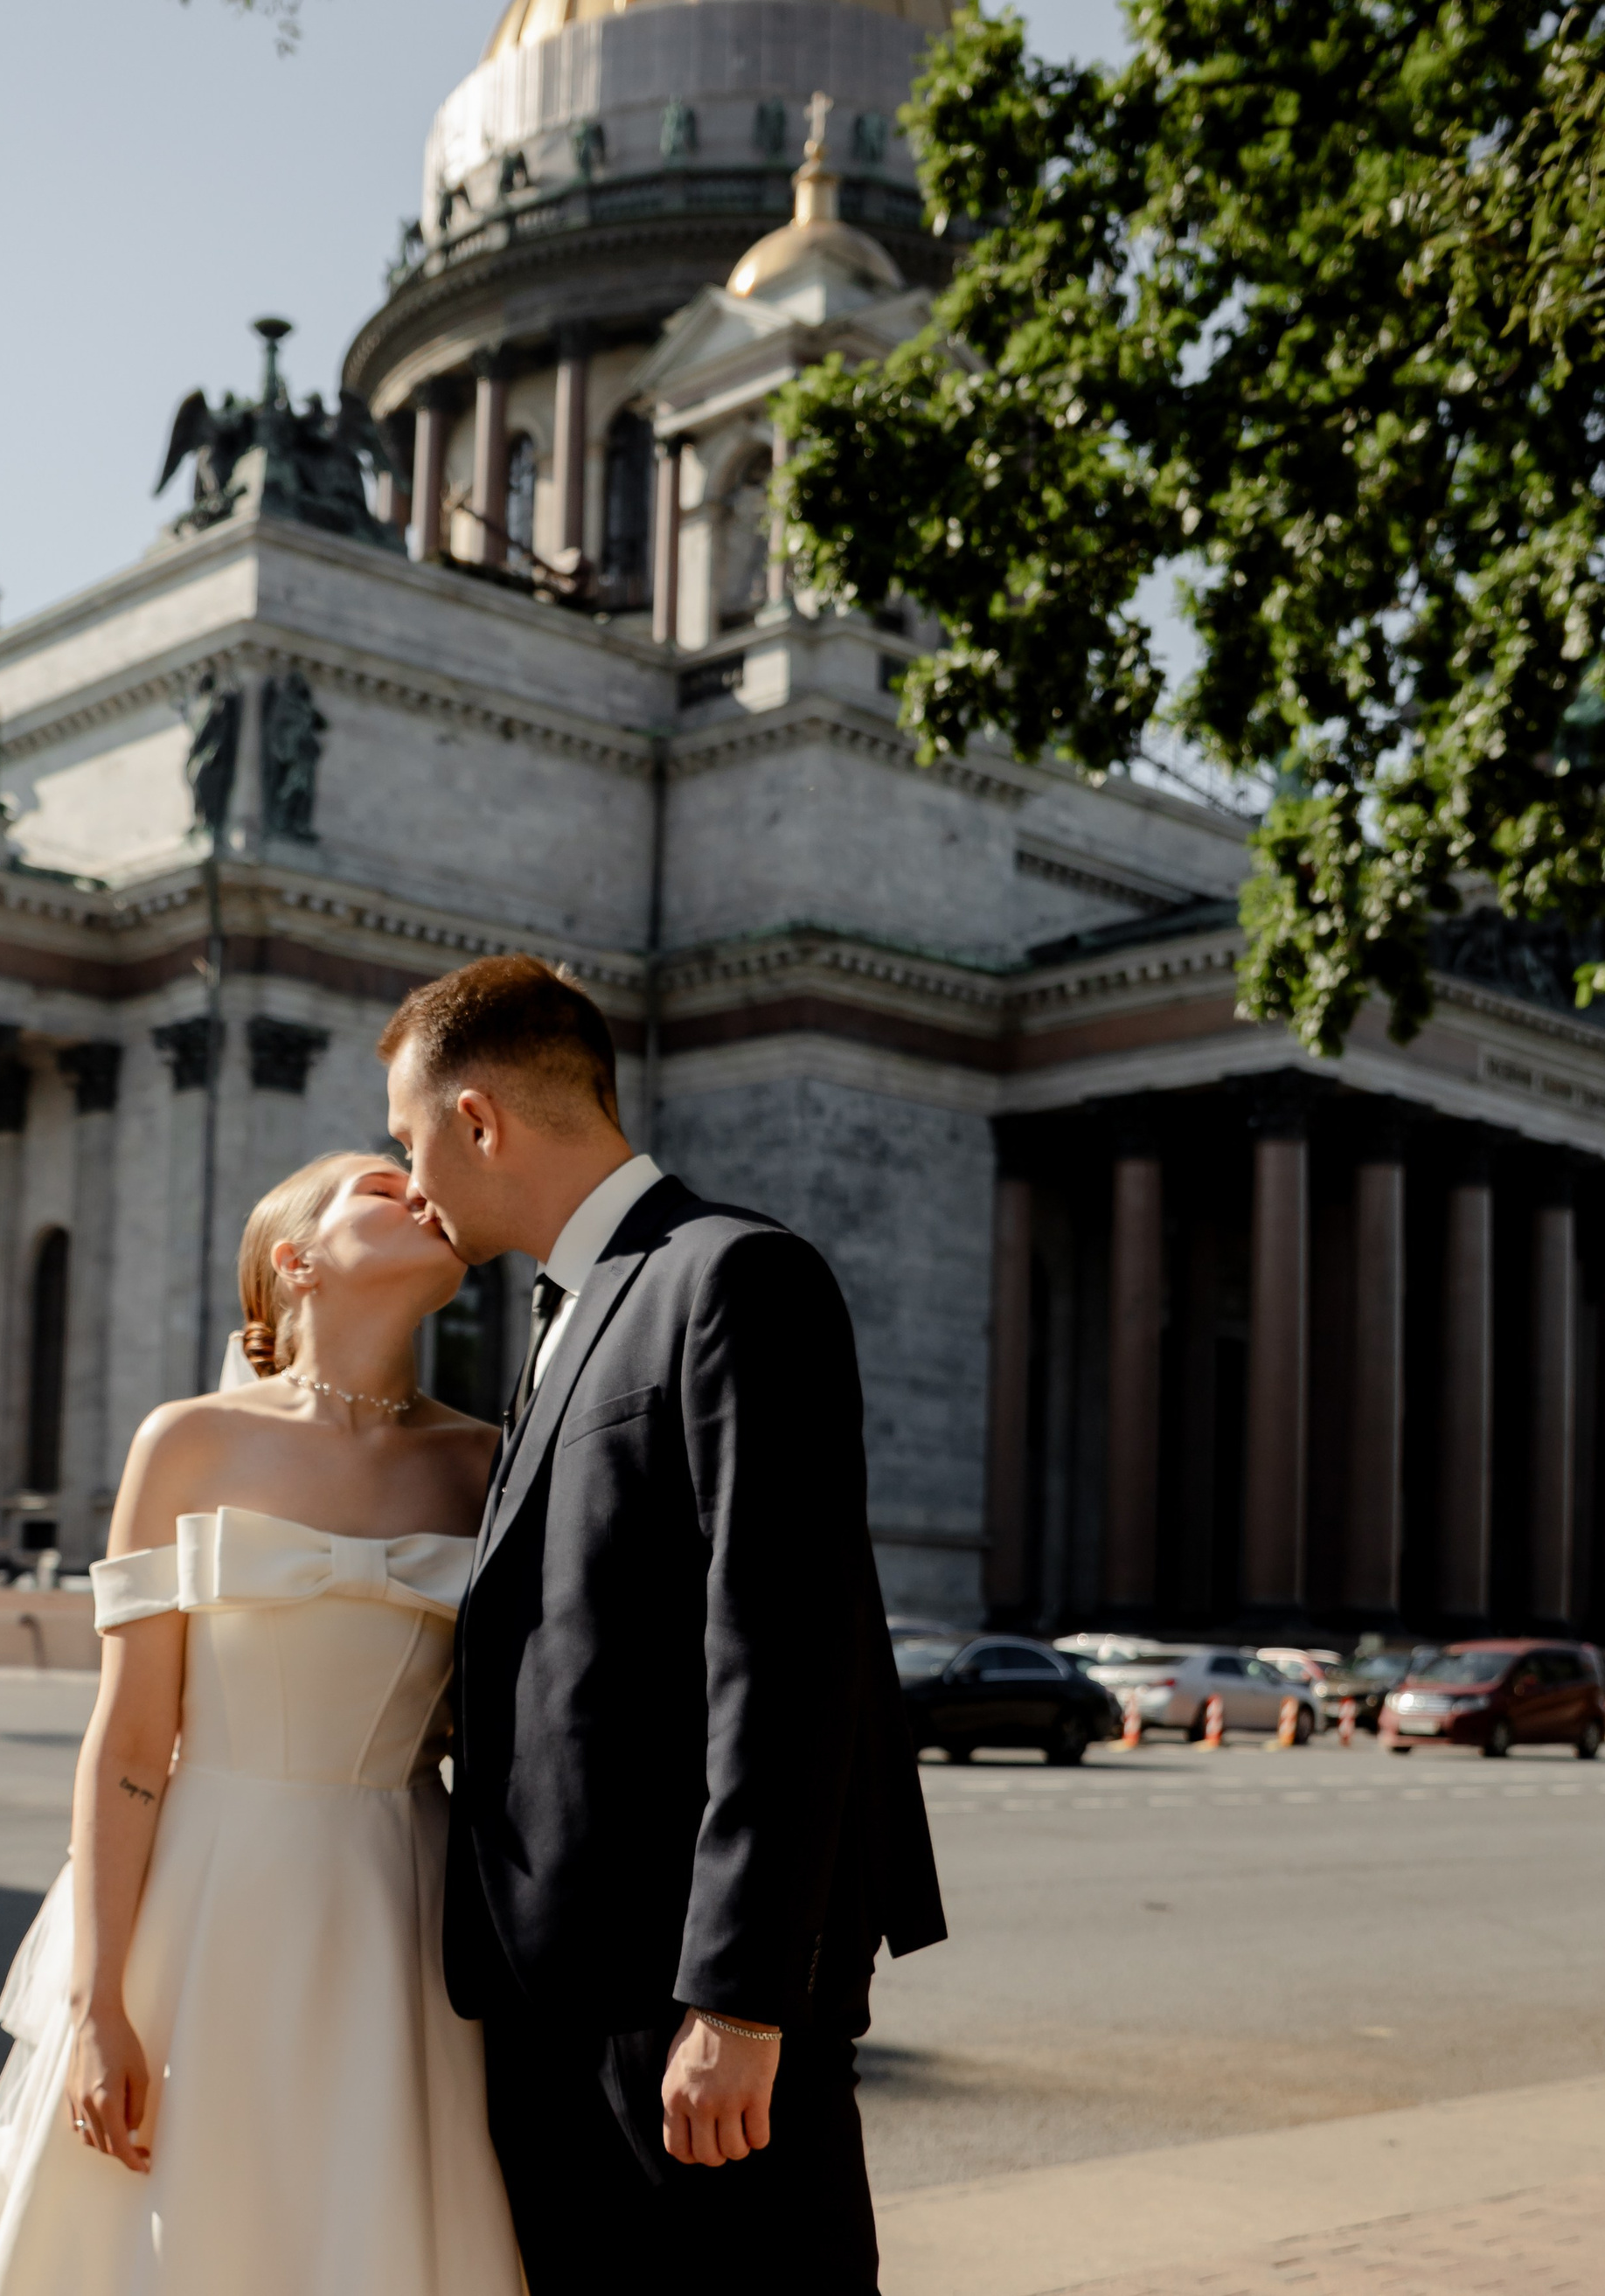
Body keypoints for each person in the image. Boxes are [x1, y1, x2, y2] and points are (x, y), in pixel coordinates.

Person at [379, 954, 946, 2295]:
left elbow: (786, 1656)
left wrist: (745, 1999)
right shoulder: (562, 1312)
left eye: (408, 1140)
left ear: (479, 1121)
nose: (406, 1181)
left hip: (688, 1998)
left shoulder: (736, 1276)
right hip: (561, 1991)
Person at [0, 1152, 523, 2296]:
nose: (420, 1189)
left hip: (399, 1905)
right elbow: (128, 1744)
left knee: (367, 2218)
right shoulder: (186, 1441)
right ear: (296, 1260)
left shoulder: (486, 1461)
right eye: (380, 1185)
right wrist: (98, 2002)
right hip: (205, 1898)